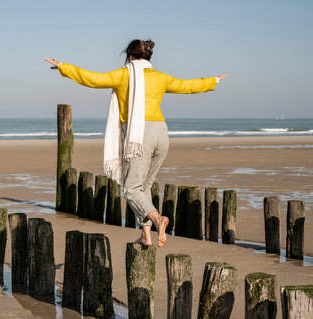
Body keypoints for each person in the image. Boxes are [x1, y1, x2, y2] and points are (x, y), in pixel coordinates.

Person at [45, 39, 228, 247]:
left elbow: (92, 79)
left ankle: (158, 219)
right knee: (144, 187)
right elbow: (188, 86)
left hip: (139, 136)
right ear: (148, 56)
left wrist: (63, 67)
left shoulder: (124, 74)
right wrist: (213, 80)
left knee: (131, 189)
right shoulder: (160, 77)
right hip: (161, 134)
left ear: (129, 56)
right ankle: (146, 235)